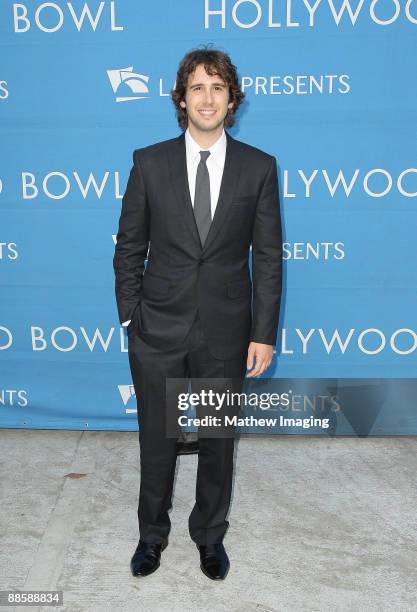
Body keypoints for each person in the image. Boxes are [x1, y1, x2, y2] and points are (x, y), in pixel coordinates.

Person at [113, 46, 282, 580]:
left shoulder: (259, 167)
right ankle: (151, 536)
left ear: (232, 99)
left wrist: (262, 333)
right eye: (197, 88)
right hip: (157, 326)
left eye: (217, 87)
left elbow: (269, 256)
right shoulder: (150, 161)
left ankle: (210, 536)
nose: (207, 98)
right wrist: (130, 316)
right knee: (157, 440)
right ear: (181, 99)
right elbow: (128, 248)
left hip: (225, 329)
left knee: (216, 441)